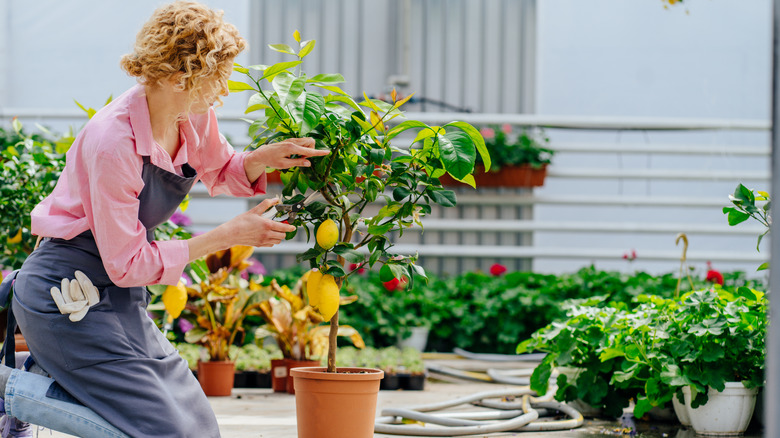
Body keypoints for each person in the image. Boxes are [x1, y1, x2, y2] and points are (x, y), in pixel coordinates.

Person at [0, 1, 328, 437]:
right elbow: (127, 263)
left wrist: (258, 161)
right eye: (219, 76)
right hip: (65, 292)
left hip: (119, 293)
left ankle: (40, 375)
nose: (225, 89)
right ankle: (10, 390)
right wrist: (227, 235)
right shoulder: (113, 142)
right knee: (159, 429)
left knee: (196, 425)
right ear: (180, 78)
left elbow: (221, 168)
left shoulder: (191, 114)